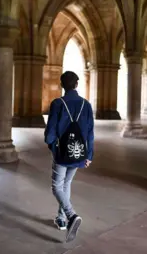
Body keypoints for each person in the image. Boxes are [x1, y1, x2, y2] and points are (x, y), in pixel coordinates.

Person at [44, 71, 94, 242]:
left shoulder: (57, 104)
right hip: (79, 152)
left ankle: (71, 215)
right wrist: (89, 154)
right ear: (77, 84)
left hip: (62, 152)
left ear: (62, 85)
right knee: (66, 183)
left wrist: (52, 147)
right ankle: (61, 219)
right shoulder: (86, 105)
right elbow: (90, 132)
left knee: (56, 186)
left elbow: (50, 132)